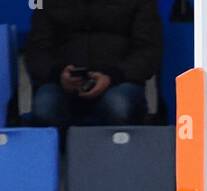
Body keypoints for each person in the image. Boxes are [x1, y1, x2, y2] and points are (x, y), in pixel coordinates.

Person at [25, 0, 162, 128]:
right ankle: (61, 152)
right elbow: (36, 50)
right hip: (62, 83)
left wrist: (112, 76)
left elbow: (148, 50)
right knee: (45, 106)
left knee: (117, 105)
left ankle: (117, 152)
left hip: (120, 82)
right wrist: (59, 74)